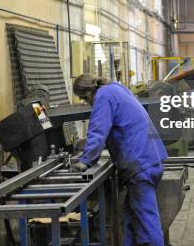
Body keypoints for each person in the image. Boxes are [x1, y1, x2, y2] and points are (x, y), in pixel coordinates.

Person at [71, 74, 167, 246]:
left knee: (146, 225)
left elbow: (98, 131)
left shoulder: (103, 96)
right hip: (150, 157)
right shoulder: (116, 88)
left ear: (90, 91)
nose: (86, 103)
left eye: (85, 98)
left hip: (140, 165)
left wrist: (85, 161)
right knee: (130, 217)